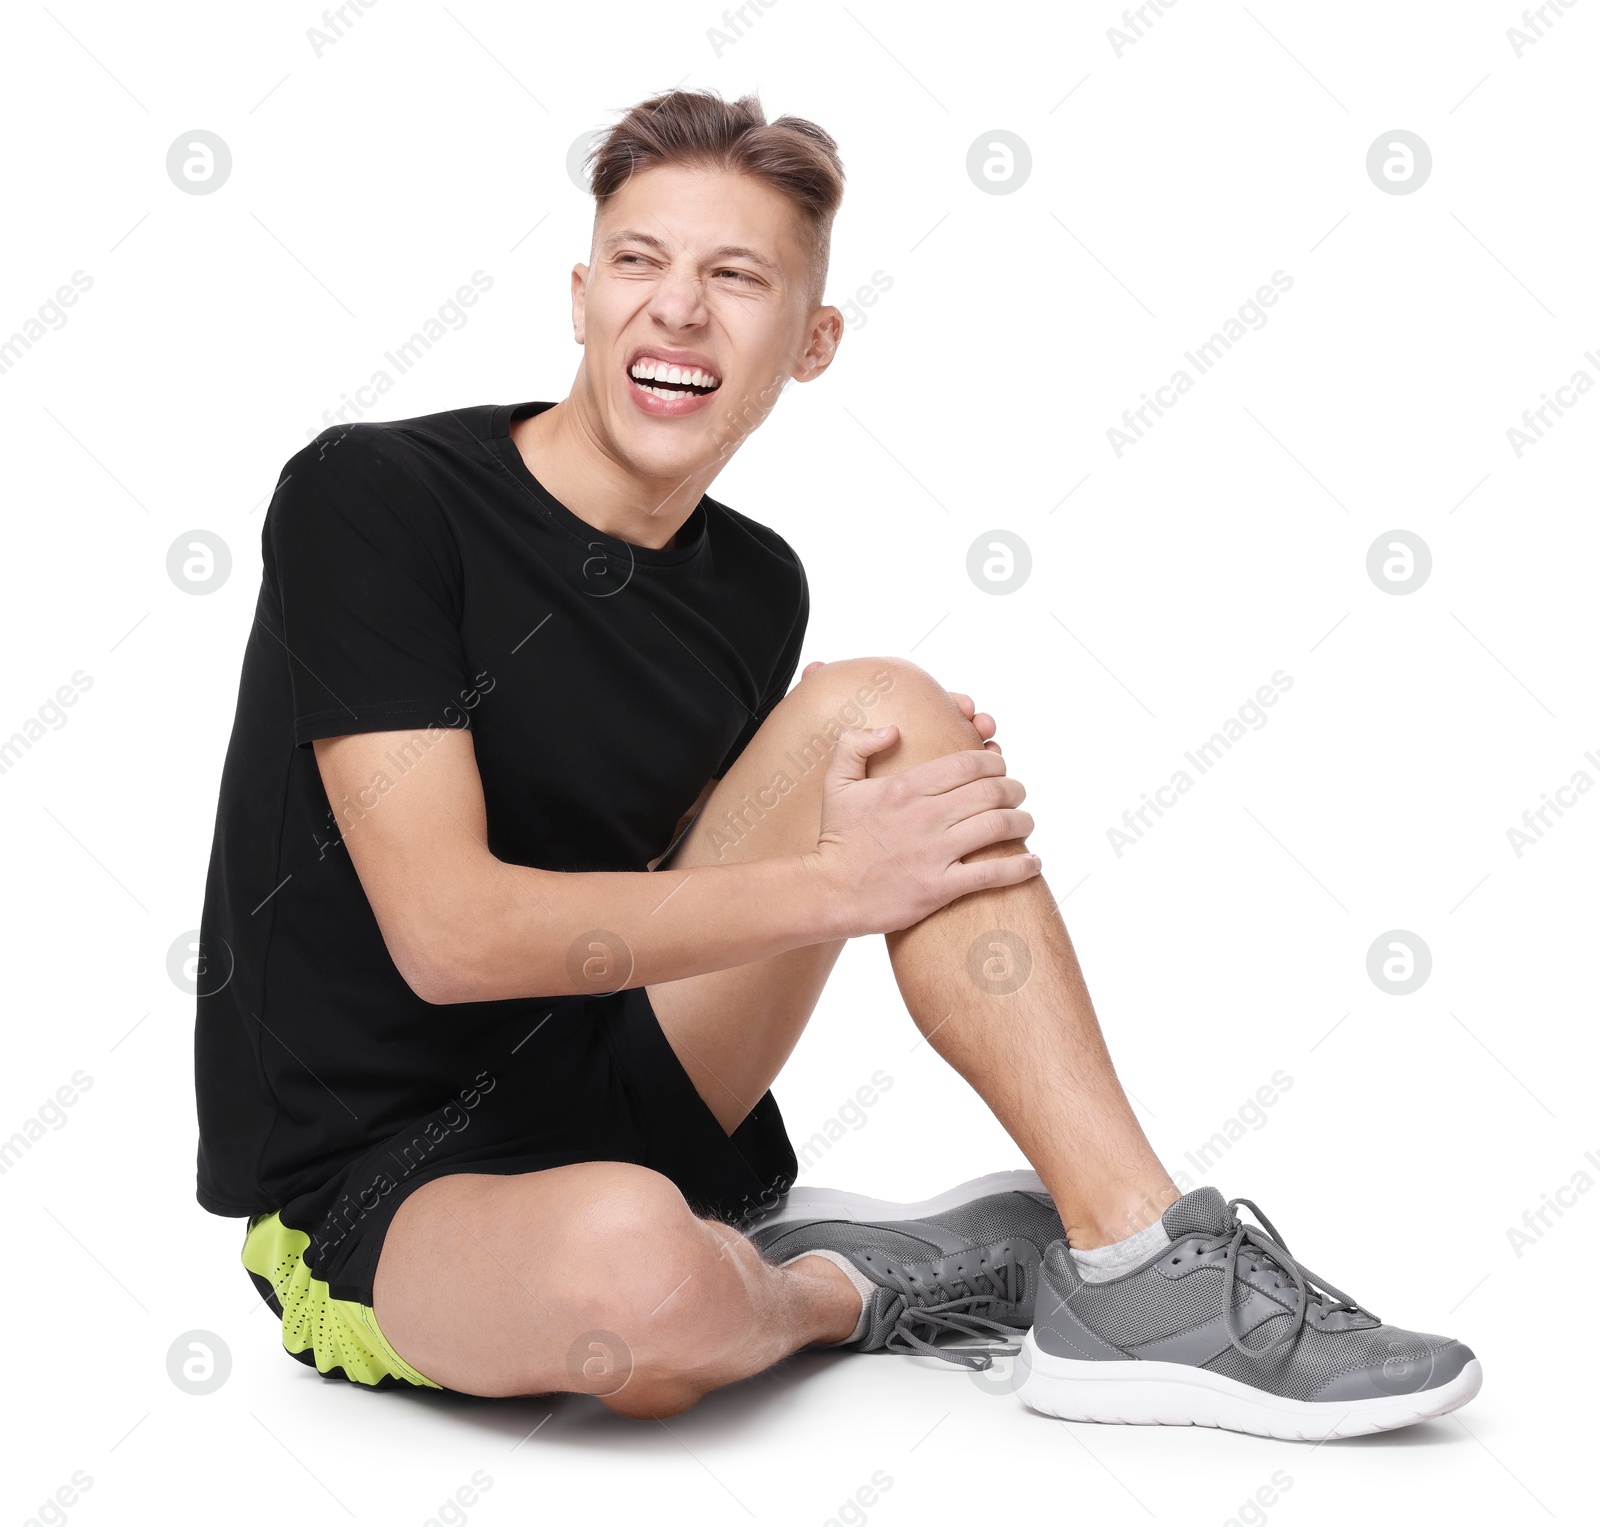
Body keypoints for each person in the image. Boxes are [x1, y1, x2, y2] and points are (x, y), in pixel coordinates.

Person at [194, 88, 1479, 1440]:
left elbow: (679, 871)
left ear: (811, 343)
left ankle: (1139, 1265)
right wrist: (840, 884)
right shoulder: (374, 498)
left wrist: (869, 836)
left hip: (623, 1079)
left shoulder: (755, 585)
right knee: (640, 1283)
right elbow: (448, 935)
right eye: (640, 261)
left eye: (735, 278)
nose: (677, 309)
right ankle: (833, 1286)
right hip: (380, 1184)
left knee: (891, 712)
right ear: (580, 297)